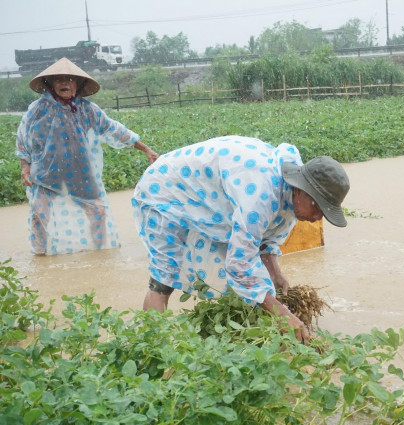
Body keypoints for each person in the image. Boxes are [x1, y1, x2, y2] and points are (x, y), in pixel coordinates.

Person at [132, 135, 350, 343]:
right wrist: (282, 313)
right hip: (164, 190)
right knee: (164, 280)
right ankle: (153, 344)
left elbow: (263, 240)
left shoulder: (290, 193)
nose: (318, 218)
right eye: (318, 207)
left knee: (250, 286)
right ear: (302, 191)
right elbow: (239, 264)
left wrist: (275, 273)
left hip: (207, 198)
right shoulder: (261, 194)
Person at [16, 57, 159, 256]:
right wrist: (25, 167)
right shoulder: (37, 110)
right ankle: (40, 256)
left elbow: (114, 130)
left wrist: (145, 149)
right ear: (50, 84)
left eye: (69, 79)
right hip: (46, 174)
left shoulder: (87, 110)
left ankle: (101, 253)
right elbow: (24, 139)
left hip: (80, 174)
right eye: (58, 79)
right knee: (39, 215)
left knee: (98, 211)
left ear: (78, 84)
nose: (64, 83)